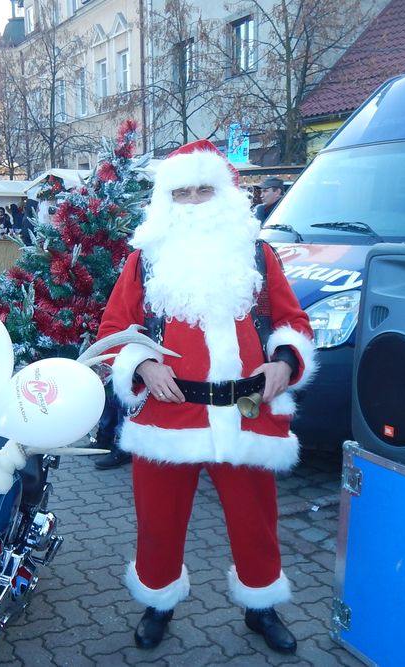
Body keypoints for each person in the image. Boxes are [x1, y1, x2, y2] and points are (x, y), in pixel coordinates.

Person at [96, 140, 315, 654]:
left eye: (203, 189)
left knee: (255, 520)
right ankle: (159, 602)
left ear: (224, 193)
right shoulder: (144, 261)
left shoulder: (258, 254)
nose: (194, 201)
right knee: (158, 521)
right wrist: (142, 365)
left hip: (246, 412)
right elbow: (113, 330)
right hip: (170, 415)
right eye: (183, 192)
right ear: (167, 198)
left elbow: (292, 322)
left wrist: (284, 361)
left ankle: (261, 606)